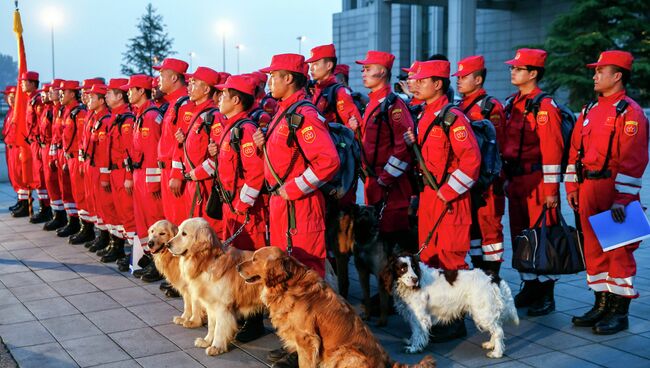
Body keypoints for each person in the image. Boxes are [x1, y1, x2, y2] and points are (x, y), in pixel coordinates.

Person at [252, 53, 340, 368]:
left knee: (306, 279)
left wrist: (295, 187)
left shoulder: (303, 113)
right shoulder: (284, 111)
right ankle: (297, 344)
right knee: (287, 278)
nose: (269, 82)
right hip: (283, 206)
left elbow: (328, 160)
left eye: (273, 75)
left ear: (289, 78)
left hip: (299, 208)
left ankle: (312, 347)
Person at [565, 50, 648, 335]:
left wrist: (623, 199)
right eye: (595, 70)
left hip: (616, 191)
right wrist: (572, 186)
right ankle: (600, 304)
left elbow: (634, 159)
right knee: (594, 249)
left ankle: (619, 311)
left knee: (619, 252)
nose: (594, 75)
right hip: (589, 188)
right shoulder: (589, 110)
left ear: (618, 76)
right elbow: (575, 151)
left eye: (601, 71)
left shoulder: (630, 112)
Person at [404, 59, 481, 342]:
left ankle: (455, 320)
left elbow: (472, 160)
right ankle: (439, 314)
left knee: (451, 257)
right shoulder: (426, 114)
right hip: (430, 197)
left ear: (438, 84)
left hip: (449, 199)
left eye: (422, 81)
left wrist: (448, 192)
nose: (416, 84)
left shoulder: (452, 117)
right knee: (430, 257)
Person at [192, 74, 268, 342]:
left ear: (236, 100)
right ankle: (240, 313)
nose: (219, 99)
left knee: (249, 261)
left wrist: (242, 205)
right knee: (237, 261)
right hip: (231, 208)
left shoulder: (244, 130)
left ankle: (255, 320)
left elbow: (255, 173)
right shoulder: (230, 127)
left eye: (223, 95)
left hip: (245, 212)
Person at [502, 48, 564, 316]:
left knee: (543, 238)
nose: (512, 71)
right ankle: (529, 286)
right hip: (516, 180)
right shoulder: (512, 103)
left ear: (533, 73)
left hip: (537, 182)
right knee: (521, 236)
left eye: (518, 68)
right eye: (512, 67)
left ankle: (546, 294)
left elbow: (552, 150)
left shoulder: (544, 106)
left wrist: (551, 191)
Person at [353, 50, 414, 250]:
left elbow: (403, 147)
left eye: (367, 69)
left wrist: (385, 178)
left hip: (390, 188)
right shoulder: (374, 102)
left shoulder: (393, 105)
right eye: (363, 69)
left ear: (382, 71)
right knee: (379, 243)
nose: (363, 72)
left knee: (392, 245)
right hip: (375, 182)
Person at [454, 55, 506, 276]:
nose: (459, 80)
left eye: (464, 76)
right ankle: (478, 276)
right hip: (468, 182)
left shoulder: (490, 107)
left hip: (487, 183)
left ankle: (492, 278)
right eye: (458, 77)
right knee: (473, 230)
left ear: (478, 80)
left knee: (489, 231)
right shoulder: (458, 107)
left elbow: (498, 147)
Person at [171, 66, 221, 234]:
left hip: (204, 184)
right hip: (193, 183)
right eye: (189, 83)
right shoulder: (195, 113)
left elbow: (218, 157)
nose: (189, 87)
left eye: (194, 83)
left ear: (206, 89)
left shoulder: (213, 116)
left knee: (206, 233)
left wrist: (196, 174)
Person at [98, 79, 137, 265]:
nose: (105, 96)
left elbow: (130, 152)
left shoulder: (127, 120)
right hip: (114, 172)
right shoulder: (115, 117)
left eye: (109, 94)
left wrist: (129, 177)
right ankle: (121, 248)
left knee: (129, 215)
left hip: (123, 173)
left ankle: (134, 254)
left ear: (119, 96)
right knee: (119, 214)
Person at [154, 58, 195, 226]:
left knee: (179, 223)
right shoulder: (173, 103)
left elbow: (183, 144)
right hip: (167, 171)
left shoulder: (184, 104)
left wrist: (177, 174)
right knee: (171, 220)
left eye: (162, 75)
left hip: (175, 172)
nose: (158, 80)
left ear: (173, 78)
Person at [57, 80, 87, 237]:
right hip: (68, 156)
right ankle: (73, 221)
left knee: (81, 195)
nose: (61, 94)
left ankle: (85, 228)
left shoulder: (79, 113)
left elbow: (83, 140)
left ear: (73, 93)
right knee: (70, 192)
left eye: (64, 91)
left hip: (77, 158)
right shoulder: (66, 111)